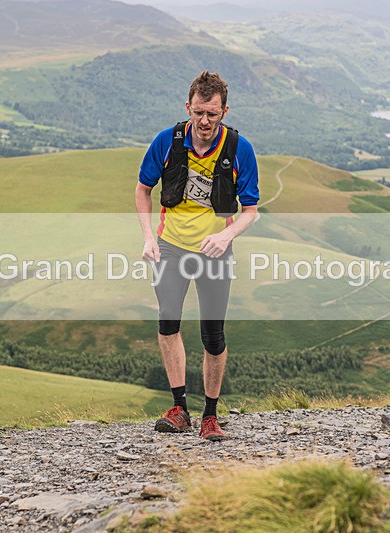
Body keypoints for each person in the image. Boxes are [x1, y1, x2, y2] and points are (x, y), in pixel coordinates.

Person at [134, 71, 259, 441]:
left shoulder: (239, 149)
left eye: (213, 114)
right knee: (168, 324)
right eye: (199, 112)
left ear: (224, 111)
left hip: (215, 252)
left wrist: (227, 234)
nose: (205, 121)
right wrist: (147, 238)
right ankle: (179, 408)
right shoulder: (167, 142)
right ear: (188, 107)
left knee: (213, 336)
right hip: (169, 247)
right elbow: (142, 190)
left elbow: (251, 210)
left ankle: (210, 415)